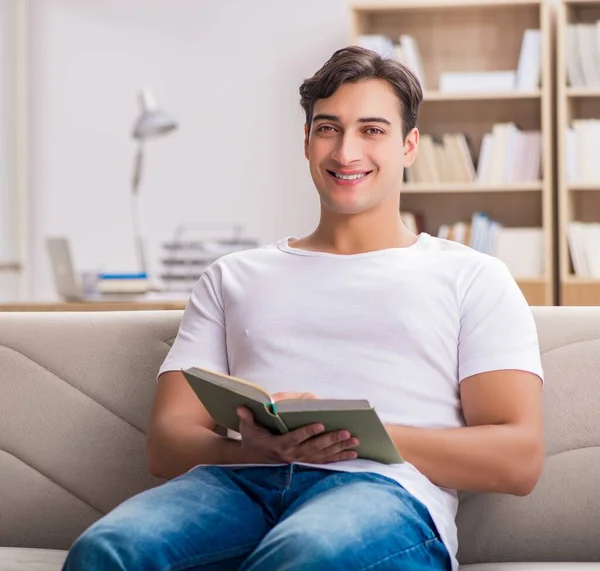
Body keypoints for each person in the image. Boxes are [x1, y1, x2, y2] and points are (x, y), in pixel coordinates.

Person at [62, 46, 544, 571]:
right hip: (237, 484)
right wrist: (258, 449)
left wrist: (353, 437)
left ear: (409, 146)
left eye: (372, 130)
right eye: (328, 128)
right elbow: (167, 443)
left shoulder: (472, 277)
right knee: (106, 551)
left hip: (382, 492)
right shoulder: (233, 276)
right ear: (308, 143)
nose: (346, 152)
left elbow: (518, 459)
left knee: (304, 555)